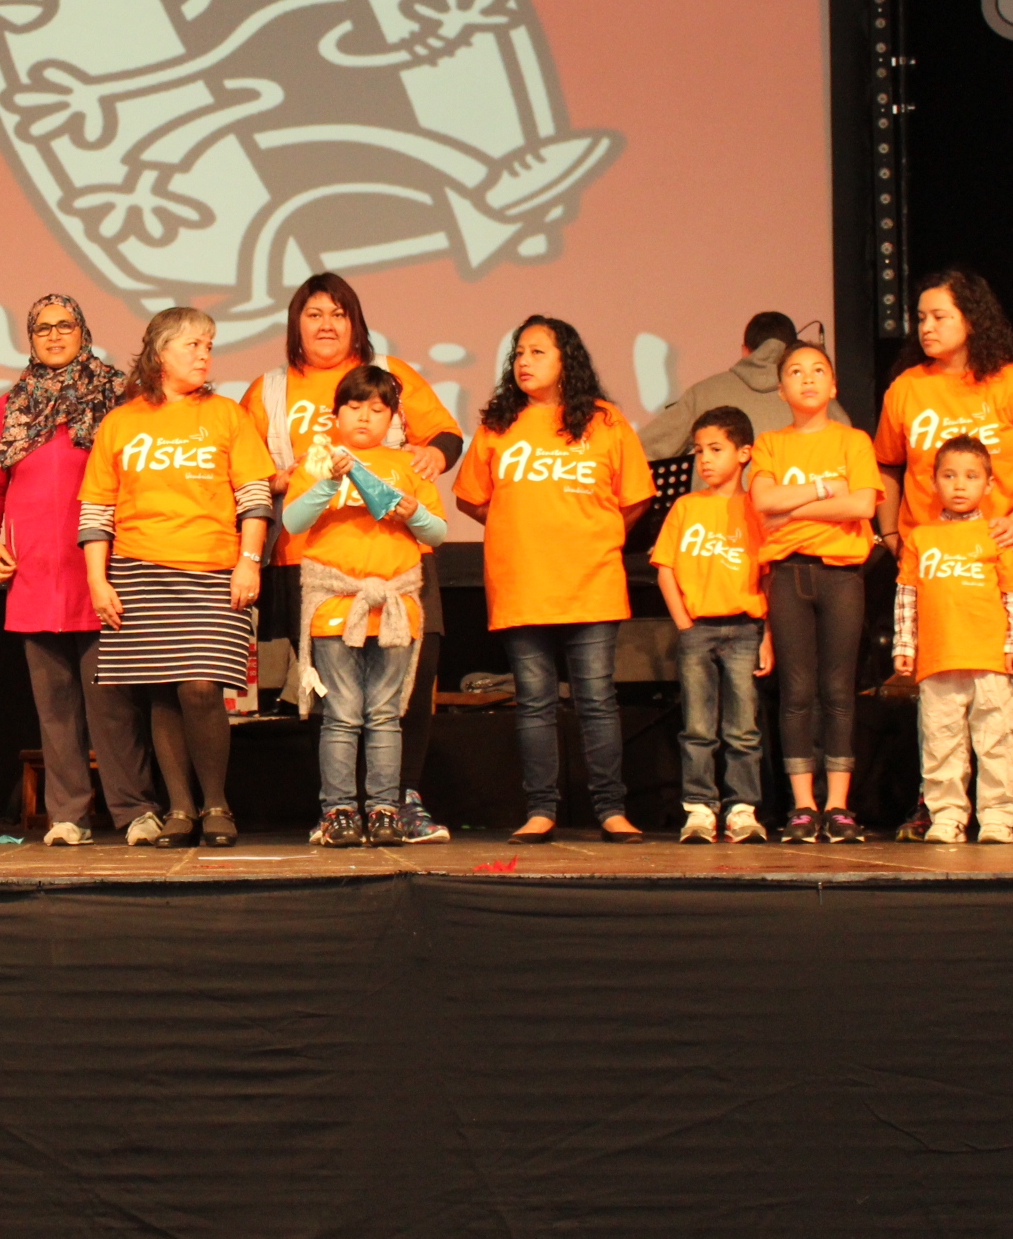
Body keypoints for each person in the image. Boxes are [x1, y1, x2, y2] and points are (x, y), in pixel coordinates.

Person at [237, 273, 464, 843]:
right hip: (309, 562)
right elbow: (242, 469)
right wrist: (282, 479)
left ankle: (400, 801)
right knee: (330, 693)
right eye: (314, 314)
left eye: (338, 314)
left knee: (411, 682)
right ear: (296, 324)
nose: (326, 325)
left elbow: (445, 435)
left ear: (355, 322)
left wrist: (430, 461)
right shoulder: (268, 389)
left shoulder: (390, 371)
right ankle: (339, 808)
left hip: (400, 563)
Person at [872, 269, 1013, 840]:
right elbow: (888, 466)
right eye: (920, 318)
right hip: (933, 560)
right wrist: (892, 535)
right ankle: (939, 803)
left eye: (940, 316)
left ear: (972, 320)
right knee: (937, 682)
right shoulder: (907, 388)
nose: (926, 327)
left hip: (1002, 553)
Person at [455, 315, 653, 844]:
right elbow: (471, 497)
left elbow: (635, 497)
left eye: (538, 351)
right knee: (535, 703)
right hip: (522, 583)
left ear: (568, 360)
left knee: (596, 700)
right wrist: (515, 526)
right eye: (519, 352)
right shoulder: (500, 423)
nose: (524, 361)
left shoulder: (605, 421)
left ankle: (611, 809)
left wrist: (596, 534)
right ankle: (541, 809)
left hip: (591, 581)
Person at [79, 307, 271, 848]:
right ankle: (181, 808)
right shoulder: (121, 422)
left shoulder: (227, 414)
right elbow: (97, 508)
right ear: (160, 353)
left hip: (212, 570)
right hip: (139, 571)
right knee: (163, 691)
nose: (204, 355)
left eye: (208, 345)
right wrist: (98, 580)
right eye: (192, 345)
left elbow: (254, 496)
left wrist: (249, 560)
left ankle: (216, 803)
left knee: (201, 687)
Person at [0, 294, 155, 846]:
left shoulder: (118, 395)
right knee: (54, 709)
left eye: (65, 325)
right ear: (30, 338)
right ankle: (68, 814)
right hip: (33, 575)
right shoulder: (11, 404)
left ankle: (134, 810)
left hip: (100, 572)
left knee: (113, 707)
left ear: (83, 331)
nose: (54, 335)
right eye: (43, 328)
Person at [278, 366, 448, 848]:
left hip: (394, 608)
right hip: (336, 605)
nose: (364, 417)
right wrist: (328, 482)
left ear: (392, 417)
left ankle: (384, 810)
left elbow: (437, 533)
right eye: (354, 407)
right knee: (342, 714)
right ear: (335, 414)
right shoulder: (318, 461)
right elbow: (293, 521)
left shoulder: (406, 464)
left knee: (385, 715)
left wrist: (414, 513)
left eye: (377, 409)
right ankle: (337, 811)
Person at [748, 340, 881, 844]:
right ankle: (804, 805)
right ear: (781, 389)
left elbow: (862, 505)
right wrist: (826, 489)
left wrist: (792, 509)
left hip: (841, 574)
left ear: (833, 384)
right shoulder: (770, 443)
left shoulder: (853, 441)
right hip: (788, 575)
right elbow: (763, 500)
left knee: (838, 689)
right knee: (798, 691)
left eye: (818, 370)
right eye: (796, 372)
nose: (808, 378)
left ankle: (839, 805)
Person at [892, 438, 1013, 844]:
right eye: (949, 476)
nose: (960, 485)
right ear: (933, 482)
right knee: (941, 742)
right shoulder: (921, 537)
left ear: (988, 485)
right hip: (938, 658)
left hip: (990, 658)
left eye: (971, 476)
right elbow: (907, 594)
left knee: (996, 741)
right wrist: (905, 645)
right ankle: (948, 815)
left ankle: (998, 816)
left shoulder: (998, 534)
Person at [650, 406, 772, 845]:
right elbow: (665, 567)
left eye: (716, 449)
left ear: (744, 453)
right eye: (699, 450)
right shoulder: (687, 506)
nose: (704, 459)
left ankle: (742, 809)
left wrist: (768, 635)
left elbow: (768, 574)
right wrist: (685, 624)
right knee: (698, 727)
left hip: (745, 628)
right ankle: (700, 808)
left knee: (742, 727)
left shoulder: (755, 507)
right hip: (698, 629)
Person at [638, 310, 851, 459]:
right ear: (792, 350)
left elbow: (639, 452)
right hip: (807, 509)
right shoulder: (817, 397)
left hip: (720, 511)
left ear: (745, 351)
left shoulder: (702, 394)